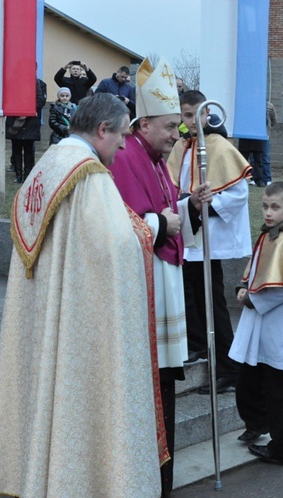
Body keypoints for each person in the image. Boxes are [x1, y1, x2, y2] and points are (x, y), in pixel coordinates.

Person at [0, 93, 167, 497]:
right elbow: (118, 247)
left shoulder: (47, 165)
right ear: (102, 130)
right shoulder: (91, 176)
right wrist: (154, 229)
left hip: (48, 309)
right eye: (120, 134)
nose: (122, 144)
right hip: (79, 320)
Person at [108, 56, 211, 497]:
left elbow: (165, 214)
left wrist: (189, 205)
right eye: (171, 127)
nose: (178, 135)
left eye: (180, 127)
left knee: (164, 384)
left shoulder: (156, 157)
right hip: (143, 288)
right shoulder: (125, 158)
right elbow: (118, 224)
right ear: (143, 123)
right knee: (149, 384)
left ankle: (161, 479)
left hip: (166, 285)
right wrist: (165, 222)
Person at [166, 89, 251, 395]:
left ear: (206, 114)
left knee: (212, 300)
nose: (189, 121)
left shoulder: (219, 146)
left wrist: (204, 206)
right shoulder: (181, 146)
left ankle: (229, 368)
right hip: (189, 233)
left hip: (210, 236)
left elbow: (238, 194)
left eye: (194, 115)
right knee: (190, 294)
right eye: (184, 116)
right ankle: (199, 344)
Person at [229, 182, 283, 466]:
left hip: (282, 328)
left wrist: (251, 300)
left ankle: (282, 448)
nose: (268, 212)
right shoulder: (269, 235)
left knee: (279, 392)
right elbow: (256, 270)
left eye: (275, 207)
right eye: (265, 206)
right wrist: (244, 285)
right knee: (248, 381)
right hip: (264, 325)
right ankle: (258, 423)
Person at [6, 76, 47, 183]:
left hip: (30, 121)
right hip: (15, 120)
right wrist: (18, 112)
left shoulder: (38, 83)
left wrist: (27, 111)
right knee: (16, 149)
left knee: (29, 150)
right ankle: (18, 174)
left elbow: (40, 101)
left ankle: (28, 174)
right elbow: (9, 98)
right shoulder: (12, 81)